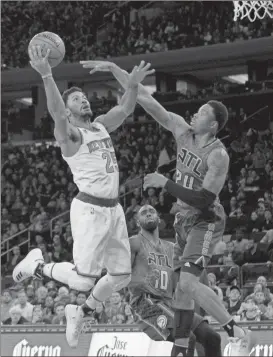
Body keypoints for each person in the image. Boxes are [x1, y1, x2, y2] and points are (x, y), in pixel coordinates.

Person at [80, 59, 252, 356]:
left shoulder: (217, 155)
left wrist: (165, 183)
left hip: (205, 219)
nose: (193, 114)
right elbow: (146, 100)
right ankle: (182, 349)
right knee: (182, 293)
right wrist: (116, 70)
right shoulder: (182, 132)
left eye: (201, 114)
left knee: (188, 282)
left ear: (212, 125)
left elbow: (204, 200)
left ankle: (237, 331)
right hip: (183, 220)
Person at [12, 47, 154, 348]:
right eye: (76, 99)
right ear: (68, 109)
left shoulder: (101, 125)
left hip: (113, 210)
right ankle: (37, 265)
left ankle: (80, 310)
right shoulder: (70, 135)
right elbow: (55, 111)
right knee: (83, 280)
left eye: (84, 96)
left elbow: (126, 108)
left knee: (121, 277)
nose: (83, 99)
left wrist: (130, 82)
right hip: (89, 210)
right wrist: (47, 75)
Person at [129, 204, 222, 357]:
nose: (148, 213)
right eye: (143, 213)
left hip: (171, 304)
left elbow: (195, 269)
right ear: (138, 222)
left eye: (151, 211)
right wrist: (143, 280)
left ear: (159, 219)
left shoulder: (172, 248)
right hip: (145, 304)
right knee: (186, 338)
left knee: (212, 337)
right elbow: (120, 275)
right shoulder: (133, 243)